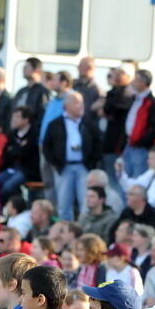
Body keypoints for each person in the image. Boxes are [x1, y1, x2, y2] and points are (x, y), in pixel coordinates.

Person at [42, 93, 102, 221]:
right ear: (67, 106)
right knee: (64, 204)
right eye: (76, 103)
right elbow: (47, 146)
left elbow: (98, 142)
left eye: (81, 102)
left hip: (83, 166)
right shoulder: (55, 124)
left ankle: (84, 229)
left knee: (85, 202)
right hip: (64, 167)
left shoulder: (88, 122)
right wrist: (55, 163)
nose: (80, 106)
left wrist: (92, 162)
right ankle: (65, 231)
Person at [121, 70, 155, 179]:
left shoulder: (152, 103)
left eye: (136, 80)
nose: (133, 83)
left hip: (141, 147)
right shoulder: (135, 99)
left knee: (138, 177)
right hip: (129, 144)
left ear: (143, 82)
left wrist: (142, 141)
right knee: (126, 175)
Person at [118, 146, 155, 214]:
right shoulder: (150, 173)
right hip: (142, 209)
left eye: (151, 158)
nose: (148, 161)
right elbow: (135, 185)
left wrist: (138, 203)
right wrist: (121, 173)